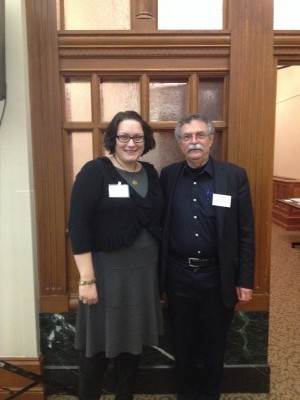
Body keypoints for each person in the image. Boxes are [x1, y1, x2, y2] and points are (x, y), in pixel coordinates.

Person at [68, 110, 164, 400]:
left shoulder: (150, 172)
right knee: (97, 348)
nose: (131, 143)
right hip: (106, 276)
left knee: (132, 348)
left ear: (145, 140)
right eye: (124, 136)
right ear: (113, 139)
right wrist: (87, 280)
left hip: (144, 276)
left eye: (137, 137)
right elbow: (78, 225)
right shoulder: (94, 171)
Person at [160, 113, 255, 400]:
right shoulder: (168, 176)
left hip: (218, 275)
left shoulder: (233, 176)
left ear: (211, 139)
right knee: (182, 343)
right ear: (179, 143)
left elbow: (246, 231)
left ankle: (210, 395)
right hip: (178, 275)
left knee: (214, 344)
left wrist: (245, 279)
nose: (194, 142)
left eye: (200, 135)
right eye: (187, 137)